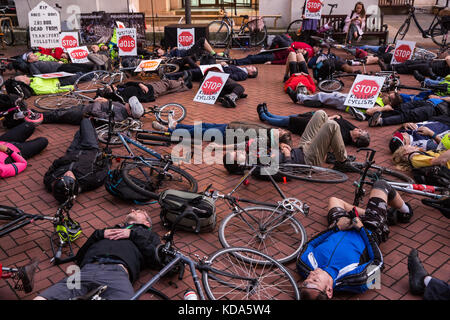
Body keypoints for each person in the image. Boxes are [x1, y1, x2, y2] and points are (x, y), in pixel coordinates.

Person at [297, 180, 413, 299]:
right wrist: (362, 228)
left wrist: (335, 228)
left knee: (334, 200)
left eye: (306, 281)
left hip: (341, 224)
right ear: (329, 290)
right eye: (315, 280)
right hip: (370, 228)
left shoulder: (304, 265)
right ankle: (405, 212)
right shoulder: (356, 281)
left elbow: (309, 245)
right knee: (381, 185)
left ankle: (382, 215)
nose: (311, 275)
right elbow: (378, 263)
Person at [33, 209, 161, 300]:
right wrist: (98, 234)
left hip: (117, 273)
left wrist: (133, 235)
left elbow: (156, 259)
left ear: (147, 223)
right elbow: (80, 256)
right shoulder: (110, 230)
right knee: (43, 298)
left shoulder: (149, 235)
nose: (133, 210)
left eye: (139, 211)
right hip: (88, 269)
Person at [223, 110, 359, 175]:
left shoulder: (252, 154)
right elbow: (286, 173)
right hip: (307, 160)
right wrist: (287, 155)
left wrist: (279, 144)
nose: (239, 152)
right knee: (332, 125)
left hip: (301, 148)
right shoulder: (257, 170)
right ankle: (342, 161)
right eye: (236, 155)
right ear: (239, 165)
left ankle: (331, 150)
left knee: (321, 114)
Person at [43, 118, 111, 203]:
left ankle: (93, 131)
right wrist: (107, 158)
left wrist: (63, 160)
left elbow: (53, 166)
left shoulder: (50, 181)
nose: (67, 173)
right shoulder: (89, 180)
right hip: (89, 147)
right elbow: (105, 171)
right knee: (85, 121)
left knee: (79, 132)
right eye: (69, 177)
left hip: (72, 151)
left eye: (63, 176)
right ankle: (94, 126)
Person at [257, 105, 370, 148]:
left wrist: (330, 119)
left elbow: (325, 131)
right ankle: (269, 114)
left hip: (311, 126)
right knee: (291, 116)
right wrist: (336, 115)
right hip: (317, 118)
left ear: (355, 140)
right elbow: (340, 117)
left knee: (288, 121)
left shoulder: (343, 138)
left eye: (360, 132)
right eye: (361, 130)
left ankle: (265, 117)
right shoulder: (351, 128)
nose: (359, 129)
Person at [41, 96, 145, 125]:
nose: (128, 103)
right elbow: (109, 104)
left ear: (130, 111)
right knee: (59, 111)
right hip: (84, 108)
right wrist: (104, 100)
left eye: (130, 105)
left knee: (58, 115)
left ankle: (39, 119)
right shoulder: (122, 107)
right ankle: (36, 114)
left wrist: (98, 102)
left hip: (83, 114)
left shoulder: (119, 117)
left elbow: (98, 114)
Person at [369, 95, 450, 127]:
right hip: (427, 102)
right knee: (401, 108)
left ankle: (380, 121)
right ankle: (378, 114)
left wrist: (441, 98)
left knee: (407, 115)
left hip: (434, 110)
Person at [98, 77, 192, 104]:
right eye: (111, 87)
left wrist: (140, 84)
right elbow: (99, 95)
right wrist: (103, 97)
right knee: (166, 83)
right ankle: (181, 82)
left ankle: (186, 86)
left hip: (146, 87)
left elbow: (130, 82)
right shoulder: (118, 96)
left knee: (168, 90)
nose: (113, 86)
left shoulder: (119, 87)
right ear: (110, 92)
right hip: (149, 91)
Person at [379, 55, 450, 80]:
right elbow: (447, 57)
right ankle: (389, 66)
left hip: (433, 69)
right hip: (432, 62)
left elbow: (447, 59)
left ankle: (391, 69)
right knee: (409, 62)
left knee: (411, 67)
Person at [26, 52, 95, 76]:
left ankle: (94, 67)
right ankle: (93, 72)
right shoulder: (32, 65)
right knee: (77, 69)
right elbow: (37, 75)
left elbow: (50, 63)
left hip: (59, 65)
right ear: (29, 60)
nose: (35, 55)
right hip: (57, 69)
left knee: (77, 64)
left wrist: (57, 62)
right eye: (32, 56)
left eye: (34, 54)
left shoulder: (39, 60)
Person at [155, 37, 223, 59]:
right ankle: (215, 54)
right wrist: (161, 57)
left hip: (187, 51)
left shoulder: (168, 52)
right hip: (188, 54)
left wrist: (175, 49)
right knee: (202, 40)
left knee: (203, 50)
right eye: (159, 50)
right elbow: (162, 59)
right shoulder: (165, 56)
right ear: (159, 54)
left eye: (160, 49)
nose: (160, 49)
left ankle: (221, 55)